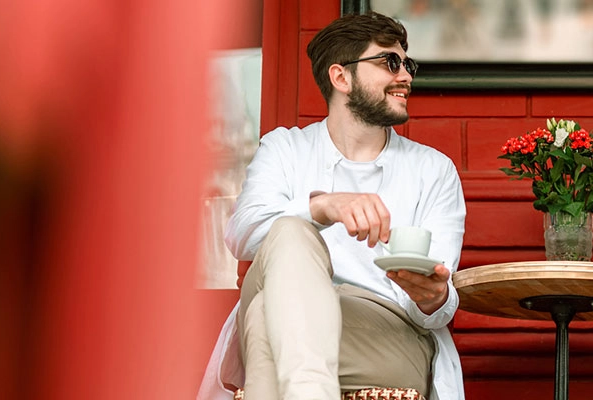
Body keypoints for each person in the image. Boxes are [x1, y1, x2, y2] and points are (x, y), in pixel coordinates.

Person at [197, 12, 466, 400]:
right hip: (284, 315)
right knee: (289, 234)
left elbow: (437, 305)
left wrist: (436, 297)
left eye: (408, 64)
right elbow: (242, 235)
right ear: (341, 78)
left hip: (384, 333)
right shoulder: (285, 148)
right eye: (391, 62)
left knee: (263, 319)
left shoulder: (434, 171)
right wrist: (321, 208)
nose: (405, 76)